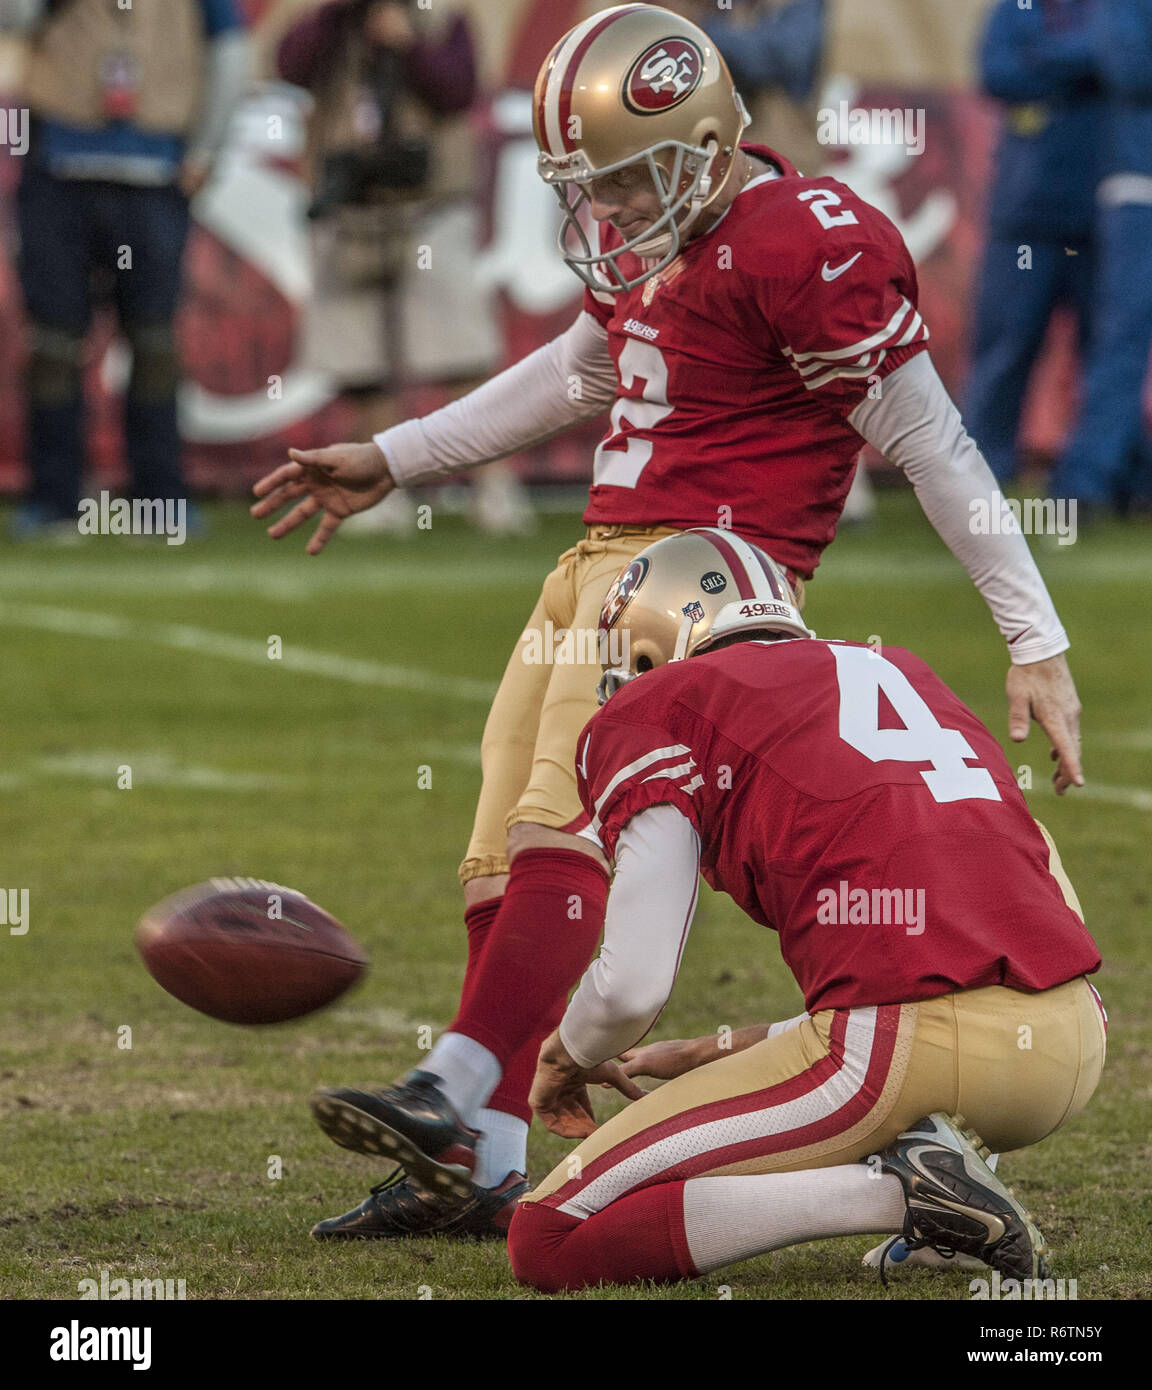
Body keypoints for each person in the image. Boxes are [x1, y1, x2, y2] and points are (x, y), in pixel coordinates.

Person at [251, 4, 1084, 1241]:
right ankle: (477, 1159)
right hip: (601, 557)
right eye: (598, 185)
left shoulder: (807, 240)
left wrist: (1036, 637)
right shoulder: (668, 239)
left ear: (702, 141)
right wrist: (398, 454)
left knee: (562, 830)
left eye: (634, 176)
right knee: (501, 840)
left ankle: (454, 1084)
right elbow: (580, 374)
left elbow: (934, 446)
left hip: (701, 577)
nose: (617, 207)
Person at [504, 527, 1104, 1292]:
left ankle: (907, 1195)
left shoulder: (659, 705)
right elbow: (1015, 903)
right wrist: (720, 1052)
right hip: (1071, 1045)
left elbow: (630, 988)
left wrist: (567, 1053)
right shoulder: (904, 671)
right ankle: (946, 1186)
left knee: (548, 1238)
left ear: (647, 648)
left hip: (903, 1054)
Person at [276, 0, 533, 536]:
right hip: (350, 206)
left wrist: (407, 42)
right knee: (360, 364)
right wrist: (334, 17)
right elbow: (288, 65)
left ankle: (494, 488)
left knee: (460, 358)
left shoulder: (442, 16)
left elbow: (458, 89)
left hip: (430, 204)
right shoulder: (333, 22)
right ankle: (380, 490)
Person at [2, 0, 249, 538]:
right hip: (57, 166)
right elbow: (11, 20)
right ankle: (54, 502)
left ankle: (160, 501)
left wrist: (208, 147)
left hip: (156, 169)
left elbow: (229, 50)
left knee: (156, 342)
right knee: (53, 341)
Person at [964, 0, 1103, 486]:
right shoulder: (1017, 7)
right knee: (1005, 349)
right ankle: (979, 474)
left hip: (1100, 216)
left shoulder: (1115, 9)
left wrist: (1045, 59)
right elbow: (995, 71)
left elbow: (1117, 58)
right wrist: (1082, 70)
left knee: (1105, 357)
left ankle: (1103, 481)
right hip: (1023, 215)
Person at [1050, 0, 1152, 514]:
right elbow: (1130, 66)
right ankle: (1084, 482)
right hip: (1141, 187)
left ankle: (1135, 479)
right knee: (1121, 341)